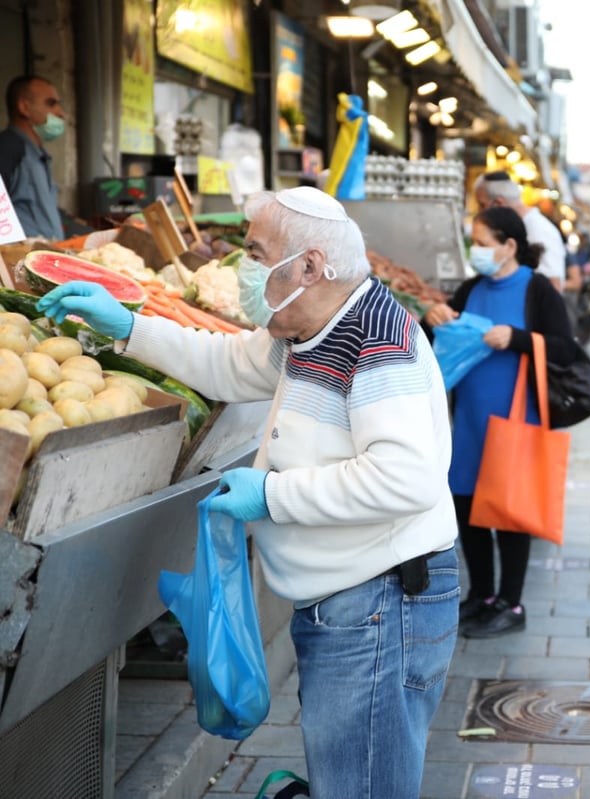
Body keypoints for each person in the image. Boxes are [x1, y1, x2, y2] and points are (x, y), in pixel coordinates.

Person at [36, 187, 462, 798]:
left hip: (380, 604)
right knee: (354, 780)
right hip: (349, 600)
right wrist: (129, 327)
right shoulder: (310, 324)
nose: (245, 265)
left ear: (310, 266)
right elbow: (231, 364)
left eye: (257, 252)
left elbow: (405, 478)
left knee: (364, 787)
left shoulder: (375, 340)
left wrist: (272, 494)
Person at [423, 206, 574, 637]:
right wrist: (431, 317)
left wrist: (518, 338)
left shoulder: (537, 290)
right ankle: (481, 595)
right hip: (468, 417)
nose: (476, 251)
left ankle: (512, 603)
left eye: (483, 243)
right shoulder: (470, 289)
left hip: (517, 417)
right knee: (467, 505)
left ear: (509, 246)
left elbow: (566, 348)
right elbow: (436, 336)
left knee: (510, 511)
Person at [474, 171, 567, 291]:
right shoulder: (518, 226)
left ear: (498, 203)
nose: (479, 212)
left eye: (482, 205)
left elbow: (553, 286)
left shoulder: (538, 230)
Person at [0, 75, 65, 240]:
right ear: (24, 107)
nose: (60, 113)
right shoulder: (8, 150)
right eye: (50, 103)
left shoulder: (37, 155)